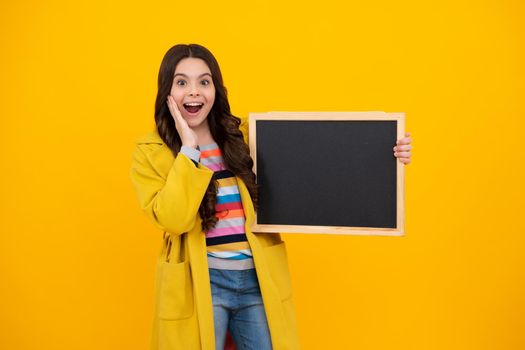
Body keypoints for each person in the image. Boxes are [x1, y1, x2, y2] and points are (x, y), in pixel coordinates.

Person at [129, 43, 413, 350]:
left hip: (256, 280)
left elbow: (320, 161)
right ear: (167, 92)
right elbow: (173, 219)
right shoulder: (152, 152)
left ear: (216, 88)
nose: (194, 91)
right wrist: (188, 150)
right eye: (182, 82)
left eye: (204, 81)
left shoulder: (247, 135)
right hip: (201, 283)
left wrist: (384, 150)